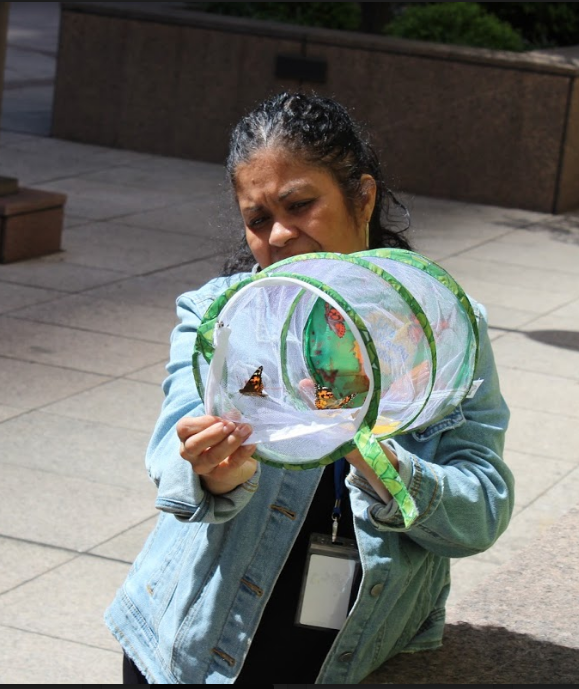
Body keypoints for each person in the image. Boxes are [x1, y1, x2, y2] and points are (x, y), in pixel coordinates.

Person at [105, 91, 514, 684]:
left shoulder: (443, 330)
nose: (277, 236)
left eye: (299, 205)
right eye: (257, 219)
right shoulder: (219, 318)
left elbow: (480, 511)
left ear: (363, 197)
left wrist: (365, 444)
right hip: (194, 654)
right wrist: (212, 470)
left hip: (350, 657)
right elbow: (175, 451)